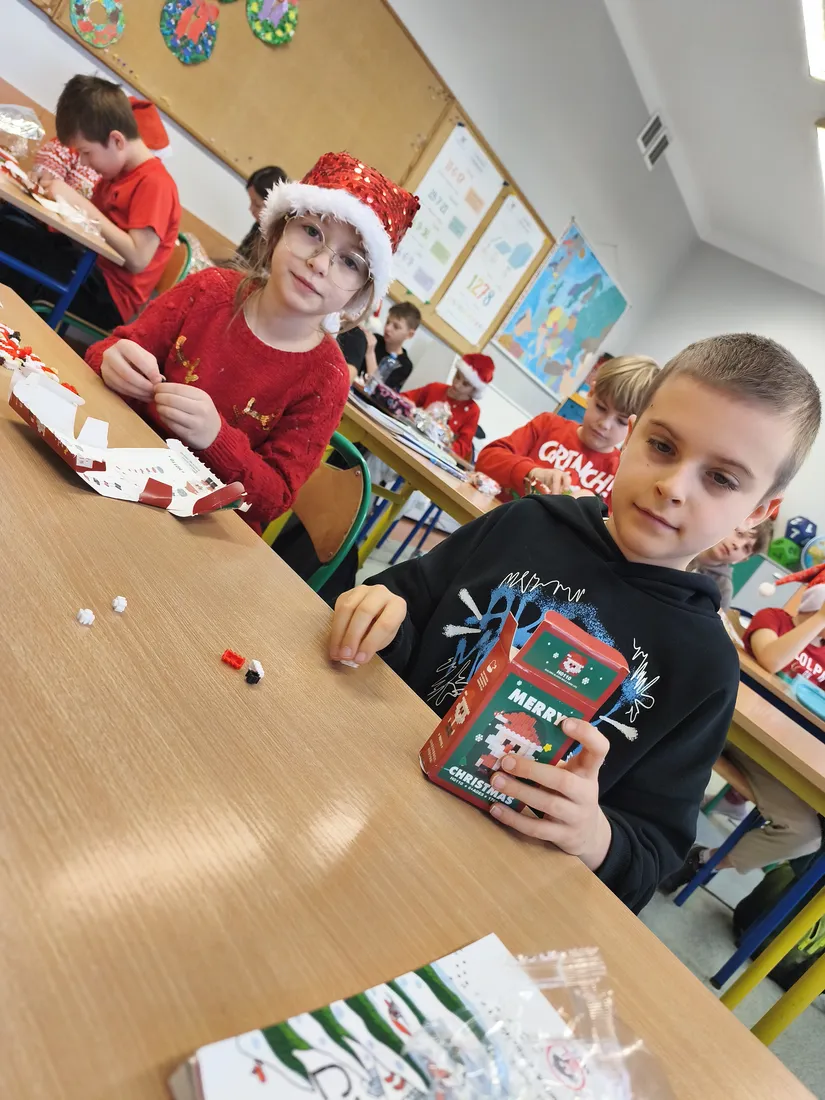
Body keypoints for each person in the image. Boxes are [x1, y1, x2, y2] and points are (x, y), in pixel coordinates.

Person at [327, 334, 821, 912]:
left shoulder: (706, 666)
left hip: (480, 885)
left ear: (759, 512)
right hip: (363, 780)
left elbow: (649, 854)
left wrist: (594, 836)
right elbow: (403, 606)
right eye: (662, 445)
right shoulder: (525, 524)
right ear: (631, 434)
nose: (673, 486)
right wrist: (378, 612)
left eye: (722, 479)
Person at [84, 151, 419, 534]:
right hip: (118, 472)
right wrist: (109, 361)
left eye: (350, 262)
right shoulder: (209, 290)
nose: (320, 263)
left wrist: (216, 438)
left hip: (201, 530)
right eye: (312, 232)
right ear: (278, 230)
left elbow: (274, 498)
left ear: (359, 293)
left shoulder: (327, 377)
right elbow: (104, 353)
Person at [661, 583, 825, 891]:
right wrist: (818, 620)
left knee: (805, 835)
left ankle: (702, 861)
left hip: (782, 755)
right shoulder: (774, 619)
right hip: (735, 727)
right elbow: (771, 660)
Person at [475, 355, 659, 503]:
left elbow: (612, 527)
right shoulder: (548, 425)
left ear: (634, 426)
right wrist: (531, 472)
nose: (605, 424)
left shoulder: (621, 474)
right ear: (591, 393)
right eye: (601, 408)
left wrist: (588, 511)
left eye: (621, 421)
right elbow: (487, 459)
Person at [403, 353, 494, 461]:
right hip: (410, 441)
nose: (457, 384)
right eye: (457, 376)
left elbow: (463, 446)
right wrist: (409, 408)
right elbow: (404, 398)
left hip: (435, 458)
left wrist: (446, 446)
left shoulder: (473, 411)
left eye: (465, 384)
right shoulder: (435, 388)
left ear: (474, 389)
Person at [691, 519, 773, 611]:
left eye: (746, 548)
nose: (737, 545)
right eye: (739, 533)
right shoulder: (687, 540)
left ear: (742, 560)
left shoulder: (723, 589)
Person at [236, 165, 288, 265]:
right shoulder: (259, 226)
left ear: (275, 206)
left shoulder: (280, 240)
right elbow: (238, 259)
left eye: (257, 204)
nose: (251, 209)